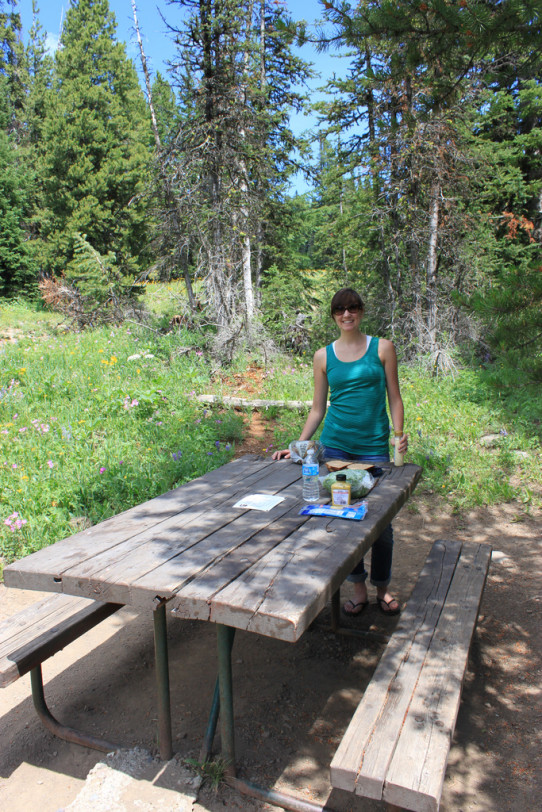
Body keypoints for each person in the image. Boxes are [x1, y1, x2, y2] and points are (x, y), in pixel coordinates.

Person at [272, 288, 408, 616]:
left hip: (374, 450)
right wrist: (299, 445)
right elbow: (318, 409)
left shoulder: (383, 348)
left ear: (361, 311)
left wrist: (399, 436)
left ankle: (383, 589)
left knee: (382, 527)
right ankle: (359, 590)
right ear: (333, 316)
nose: (346, 315)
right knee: (345, 520)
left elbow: (395, 397)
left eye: (352, 309)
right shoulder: (323, 356)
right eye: (339, 310)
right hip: (334, 449)